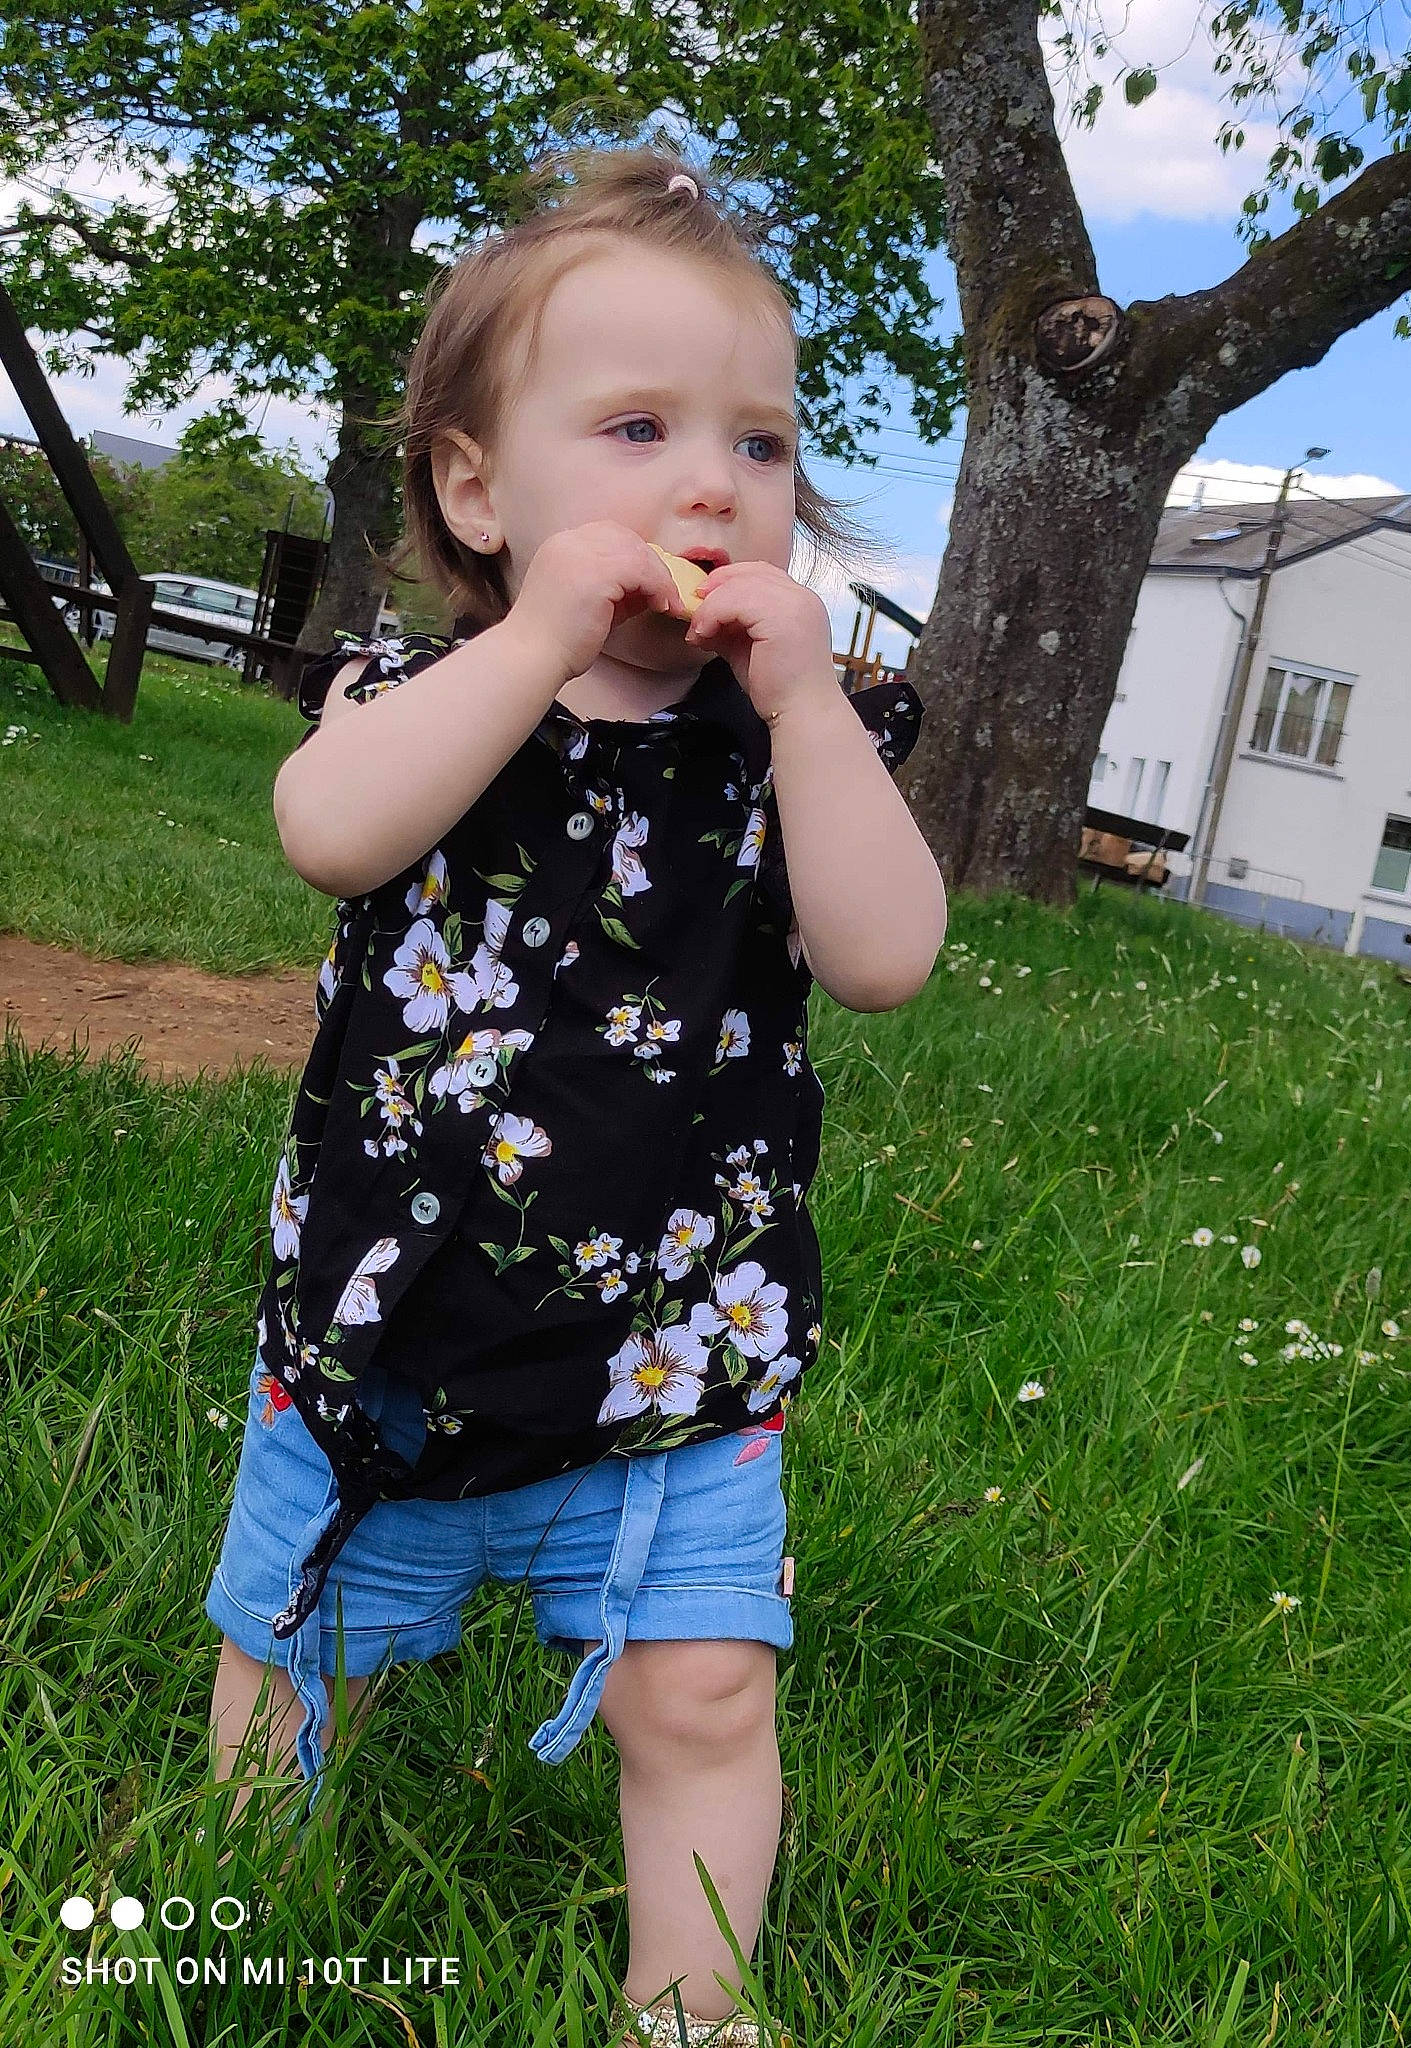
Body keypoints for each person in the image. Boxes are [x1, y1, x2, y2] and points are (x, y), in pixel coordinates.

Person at [203, 141, 947, 2047]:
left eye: (762, 445)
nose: (714, 482)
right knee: (296, 1668)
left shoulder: (788, 749)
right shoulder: (418, 693)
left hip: (678, 1357)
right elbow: (329, 831)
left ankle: (689, 2009)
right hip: (391, 1326)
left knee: (701, 1701)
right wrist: (534, 642)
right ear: (476, 484)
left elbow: (881, 958)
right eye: (634, 426)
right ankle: (238, 1924)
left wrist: (801, 720)